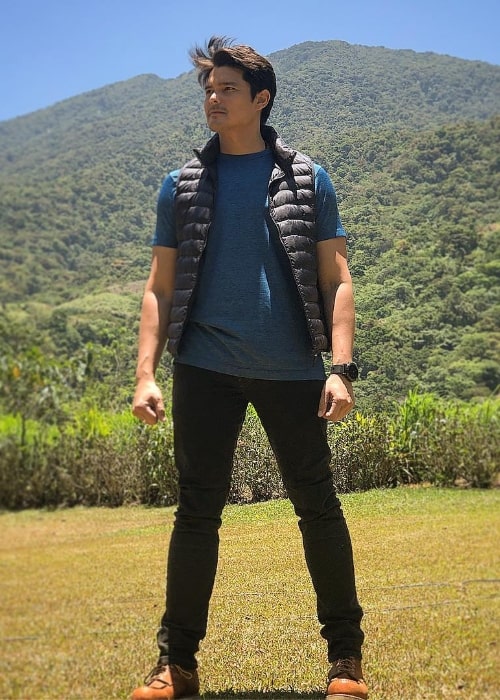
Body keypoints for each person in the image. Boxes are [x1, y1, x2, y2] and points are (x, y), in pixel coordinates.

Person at [131, 36, 367, 700]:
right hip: (203, 365)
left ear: (260, 100)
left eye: (227, 89)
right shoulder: (180, 186)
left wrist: (341, 368)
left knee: (317, 508)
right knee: (196, 513)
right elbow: (157, 285)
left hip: (293, 368)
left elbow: (336, 276)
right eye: (208, 89)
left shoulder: (305, 177)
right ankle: (176, 665)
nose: (213, 98)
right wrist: (146, 372)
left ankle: (346, 661)